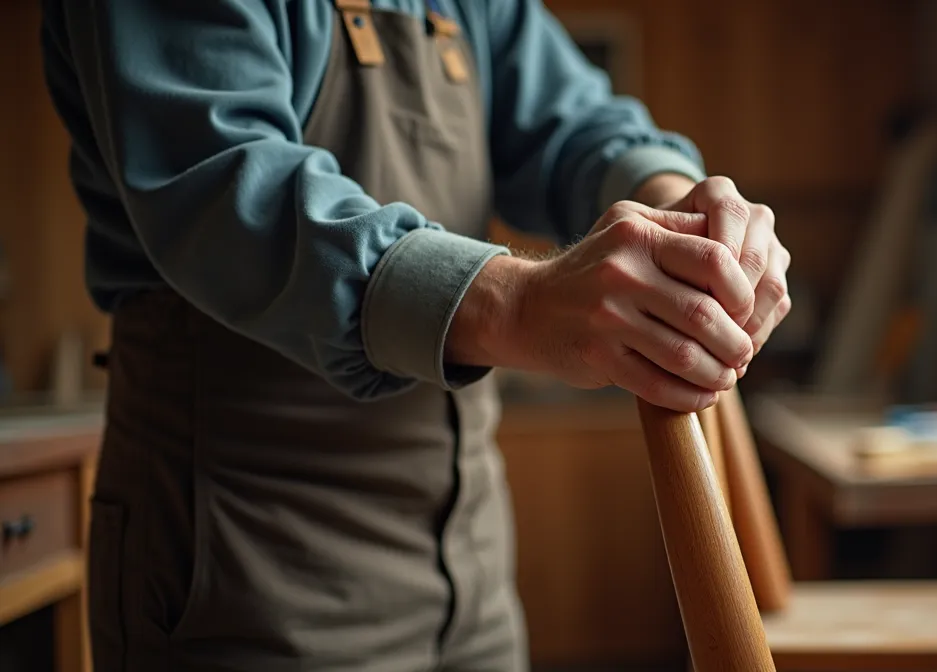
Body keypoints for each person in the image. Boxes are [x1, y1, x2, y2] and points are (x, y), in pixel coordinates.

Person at [41, 0, 791, 670]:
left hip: (472, 571)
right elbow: (230, 186)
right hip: (245, 567)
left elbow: (578, 126)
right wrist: (515, 303)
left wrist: (677, 203)